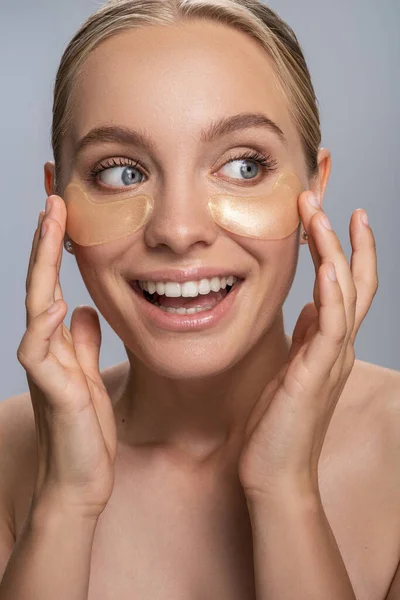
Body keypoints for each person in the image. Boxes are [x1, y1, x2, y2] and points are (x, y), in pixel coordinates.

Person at [0, 0, 399, 598]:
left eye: (243, 165)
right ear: (57, 205)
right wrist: (64, 504)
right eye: (121, 173)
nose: (179, 229)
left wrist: (284, 491)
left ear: (315, 186)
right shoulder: (7, 458)